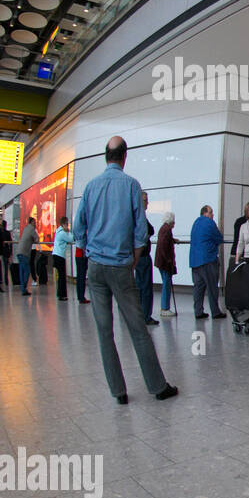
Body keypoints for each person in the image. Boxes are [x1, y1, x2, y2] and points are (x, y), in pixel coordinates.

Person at [72, 137, 178, 404]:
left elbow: (78, 228)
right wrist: (132, 261)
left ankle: (118, 392)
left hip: (95, 269)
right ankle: (157, 387)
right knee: (137, 328)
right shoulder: (131, 185)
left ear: (105, 156)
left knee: (104, 331)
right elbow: (141, 233)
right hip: (120, 266)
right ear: (124, 157)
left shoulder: (91, 187)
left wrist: (89, 251)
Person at [190, 206, 226, 320]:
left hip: (195, 260)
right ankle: (215, 312)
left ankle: (198, 311)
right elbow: (219, 238)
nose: (212, 215)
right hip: (208, 259)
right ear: (205, 213)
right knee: (212, 287)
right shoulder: (209, 223)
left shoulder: (195, 223)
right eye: (211, 212)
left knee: (198, 288)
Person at [135, 191, 157, 325]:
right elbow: (148, 231)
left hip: (140, 257)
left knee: (140, 286)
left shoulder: (138, 216)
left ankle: (141, 314)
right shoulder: (139, 217)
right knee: (145, 287)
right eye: (145, 200)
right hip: (142, 256)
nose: (147, 203)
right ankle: (145, 316)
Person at [155, 212, 177, 316]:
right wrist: (168, 259)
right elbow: (164, 245)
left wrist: (173, 240)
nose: (174, 223)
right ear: (171, 221)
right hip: (164, 262)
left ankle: (165, 307)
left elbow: (165, 241)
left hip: (161, 261)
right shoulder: (167, 230)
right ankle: (165, 308)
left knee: (166, 282)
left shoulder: (163, 228)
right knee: (166, 284)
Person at [51, 216, 73, 301]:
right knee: (62, 276)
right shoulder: (63, 233)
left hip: (56, 255)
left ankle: (59, 294)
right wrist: (69, 231)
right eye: (67, 224)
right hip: (60, 256)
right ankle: (62, 295)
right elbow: (71, 239)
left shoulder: (58, 231)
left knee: (60, 276)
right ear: (64, 224)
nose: (68, 226)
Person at [16, 216, 36, 295]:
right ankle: (24, 289)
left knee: (22, 271)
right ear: (31, 222)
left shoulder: (25, 229)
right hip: (24, 253)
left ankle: (23, 289)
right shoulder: (31, 229)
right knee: (27, 271)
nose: (35, 224)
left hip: (19, 252)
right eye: (34, 222)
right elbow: (37, 238)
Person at [0, 218, 10, 291]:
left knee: (2, 266)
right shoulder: (7, 233)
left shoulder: (2, 232)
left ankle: (2, 280)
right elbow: (10, 243)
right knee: (5, 266)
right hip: (5, 251)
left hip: (3, 251)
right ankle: (6, 280)